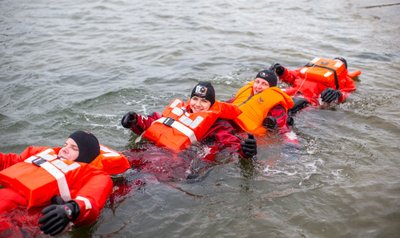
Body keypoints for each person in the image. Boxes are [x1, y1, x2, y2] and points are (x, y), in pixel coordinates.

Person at [0, 131, 129, 236]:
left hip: (22, 218)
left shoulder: (94, 175)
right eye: (65, 144)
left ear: (86, 155)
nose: (65, 149)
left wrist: (70, 209)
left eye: (74, 148)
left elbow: (91, 201)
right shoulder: (40, 153)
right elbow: (9, 161)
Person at [121, 82, 257, 162]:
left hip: (178, 160)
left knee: (142, 182)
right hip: (151, 150)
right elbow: (154, 121)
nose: (198, 104)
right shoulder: (179, 111)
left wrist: (246, 151)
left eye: (204, 101)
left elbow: (231, 144)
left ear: (211, 104)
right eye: (195, 99)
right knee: (125, 161)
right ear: (190, 99)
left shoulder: (218, 126)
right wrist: (135, 121)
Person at [228, 69, 296, 142]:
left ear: (271, 88)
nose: (258, 86)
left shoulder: (276, 106)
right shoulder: (245, 93)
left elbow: (281, 126)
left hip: (245, 133)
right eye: (257, 82)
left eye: (264, 84)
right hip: (230, 124)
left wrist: (273, 124)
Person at [270, 57, 361, 111]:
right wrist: (282, 72)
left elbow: (348, 93)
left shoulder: (346, 80)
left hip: (310, 98)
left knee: (297, 103)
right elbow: (292, 76)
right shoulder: (311, 70)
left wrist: (338, 94)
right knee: (272, 93)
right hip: (292, 90)